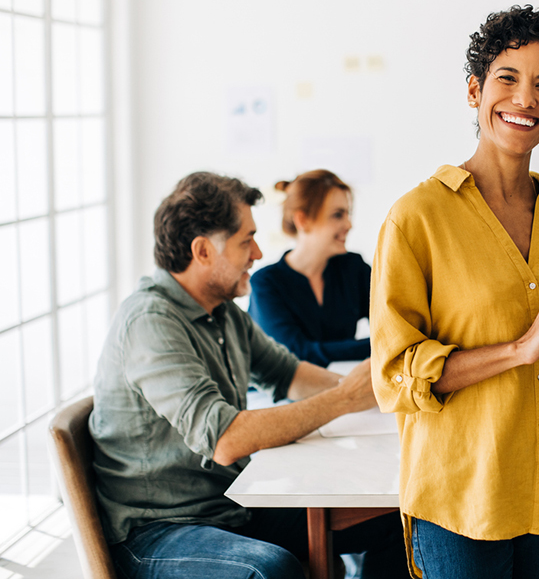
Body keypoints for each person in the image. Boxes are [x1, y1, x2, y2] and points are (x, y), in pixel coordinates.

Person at [369, 6, 539, 579]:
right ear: (475, 91)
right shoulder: (416, 218)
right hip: (463, 495)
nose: (525, 99)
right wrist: (520, 349)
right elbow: (395, 375)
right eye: (507, 79)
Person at [89, 172, 409, 579]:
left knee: (396, 519)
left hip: (228, 506)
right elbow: (226, 440)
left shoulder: (221, 312)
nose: (258, 252)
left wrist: (374, 391)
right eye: (246, 240)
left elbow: (289, 373)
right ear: (202, 250)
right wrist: (345, 399)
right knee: (269, 571)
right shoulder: (150, 322)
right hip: (158, 530)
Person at [249, 169, 371, 367]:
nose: (349, 224)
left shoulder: (354, 268)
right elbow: (296, 354)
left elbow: (395, 326)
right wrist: (377, 346)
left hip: (339, 383)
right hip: (277, 396)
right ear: (302, 220)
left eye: (347, 214)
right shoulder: (266, 283)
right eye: (337, 215)